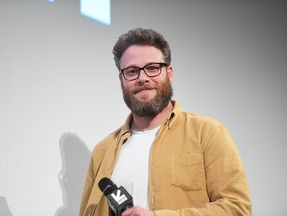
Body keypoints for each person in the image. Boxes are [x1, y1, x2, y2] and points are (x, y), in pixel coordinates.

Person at [79, 28, 252, 216]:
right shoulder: (102, 151)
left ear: (169, 73)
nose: (143, 78)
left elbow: (237, 209)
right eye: (132, 71)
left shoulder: (207, 132)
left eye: (153, 68)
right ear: (121, 80)